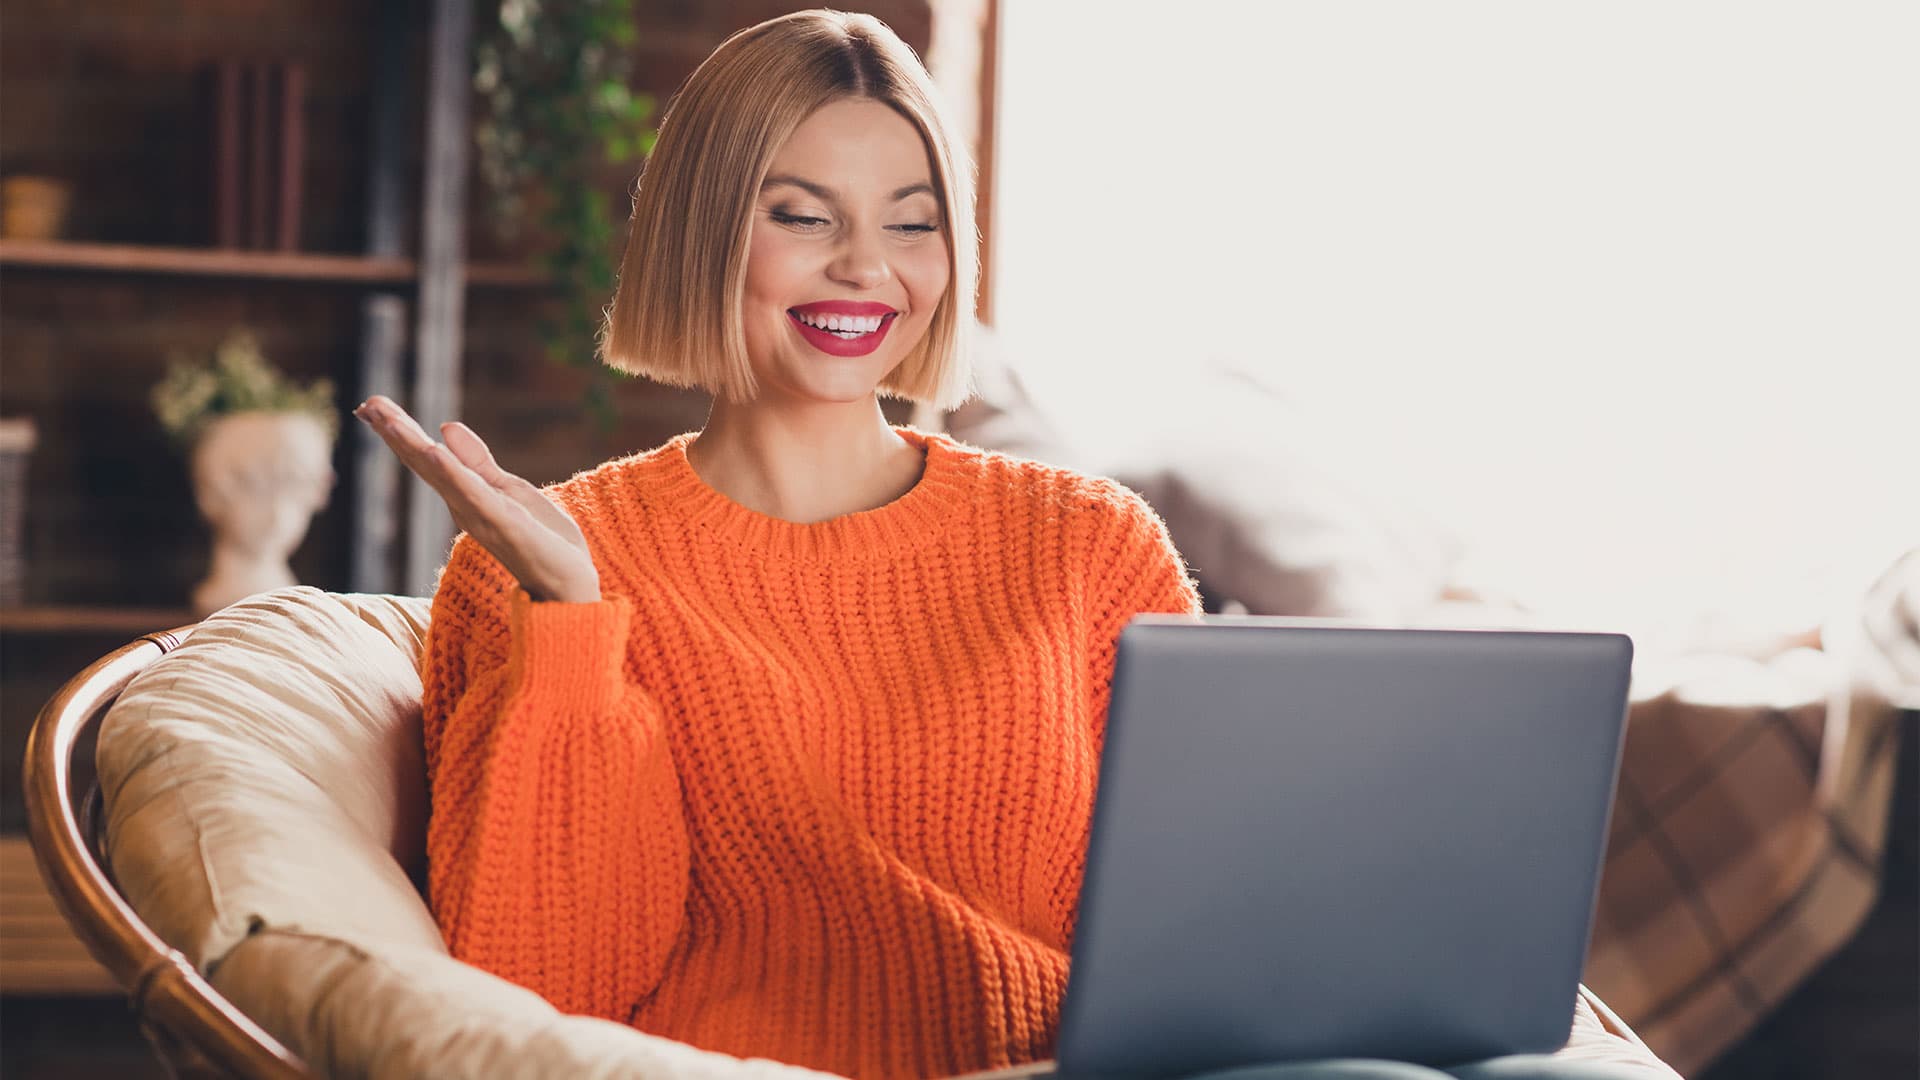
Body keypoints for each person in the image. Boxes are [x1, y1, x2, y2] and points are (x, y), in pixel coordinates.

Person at [356, 10, 1678, 1080]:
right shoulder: (541, 565)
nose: (866, 269)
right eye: (803, 215)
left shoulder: (1086, 543)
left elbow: (1205, 918)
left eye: (912, 219)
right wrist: (576, 630)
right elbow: (541, 999)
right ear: (705, 229)